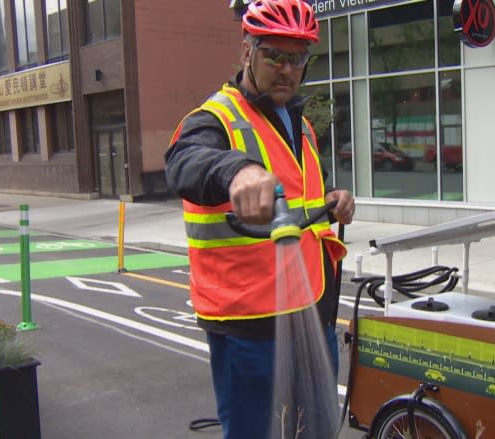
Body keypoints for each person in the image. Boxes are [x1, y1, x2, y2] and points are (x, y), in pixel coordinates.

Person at [164, 1, 355, 438]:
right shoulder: (214, 118)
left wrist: (333, 200)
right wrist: (236, 171)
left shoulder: (300, 126)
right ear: (247, 50)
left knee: (316, 430)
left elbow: (301, 196)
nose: (287, 69)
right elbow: (184, 162)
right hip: (250, 328)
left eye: (298, 58)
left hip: (312, 313)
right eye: (275, 55)